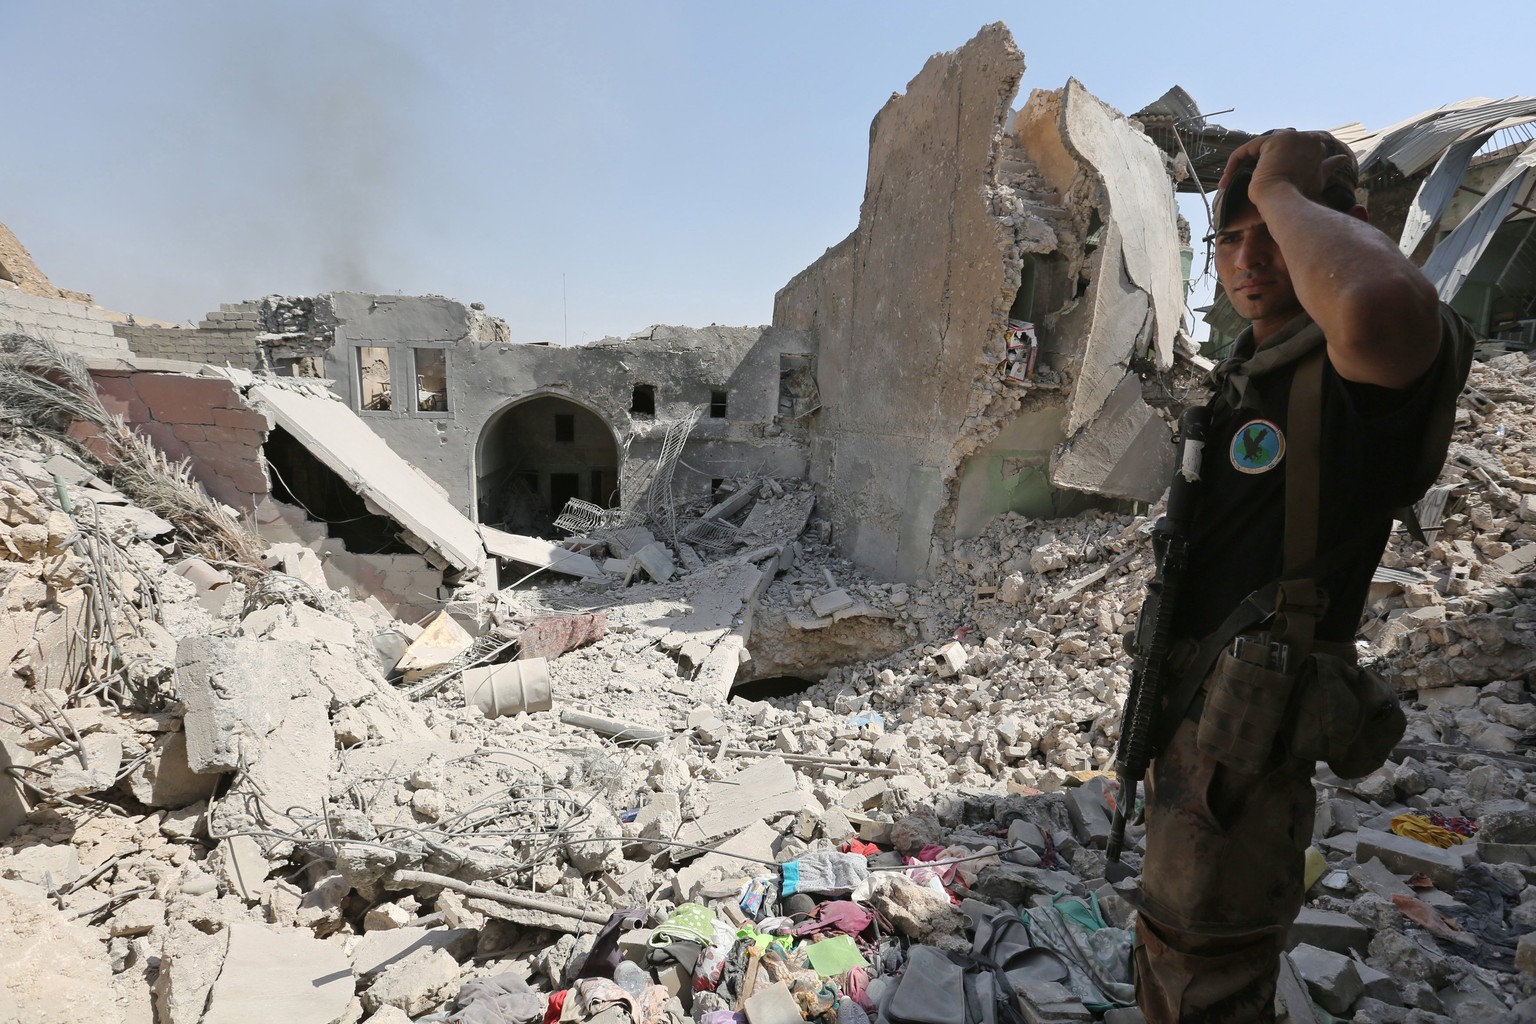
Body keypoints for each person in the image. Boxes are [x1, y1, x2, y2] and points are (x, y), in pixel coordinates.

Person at [1131, 130, 1475, 1022]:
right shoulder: (1262, 364)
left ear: (1337, 226)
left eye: (1270, 233)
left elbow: (1384, 307)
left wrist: (1287, 190)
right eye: (1230, 238)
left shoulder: (1366, 360)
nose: (1249, 257)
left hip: (1252, 733)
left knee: (1205, 972)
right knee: (1175, 948)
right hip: (1199, 711)